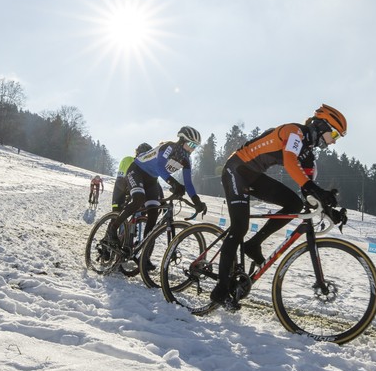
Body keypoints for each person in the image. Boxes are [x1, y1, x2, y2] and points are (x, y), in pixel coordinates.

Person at [209, 104, 346, 308]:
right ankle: (220, 289)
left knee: (294, 204)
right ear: (322, 125)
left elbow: (307, 191)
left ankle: (253, 244)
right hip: (236, 169)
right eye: (334, 133)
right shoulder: (294, 132)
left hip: (253, 176)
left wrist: (329, 211)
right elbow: (291, 163)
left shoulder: (307, 153)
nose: (334, 141)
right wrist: (315, 189)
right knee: (239, 227)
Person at [103, 127, 207, 267]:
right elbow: (159, 167)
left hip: (151, 180)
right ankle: (112, 228)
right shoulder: (169, 147)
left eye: (196, 146)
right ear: (182, 140)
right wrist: (173, 183)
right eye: (192, 144)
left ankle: (144, 256)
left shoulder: (186, 159)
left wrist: (197, 202)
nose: (193, 149)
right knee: (138, 199)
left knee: (154, 212)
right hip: (137, 171)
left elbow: (188, 183)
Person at [111, 143, 152, 211]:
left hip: (138, 190)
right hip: (122, 189)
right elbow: (120, 180)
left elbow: (155, 184)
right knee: (117, 213)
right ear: (138, 153)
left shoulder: (149, 168)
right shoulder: (127, 160)